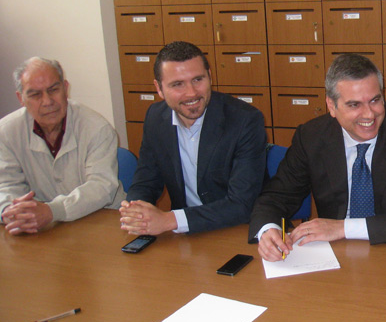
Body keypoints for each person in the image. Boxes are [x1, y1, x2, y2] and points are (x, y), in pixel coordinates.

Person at [250, 53, 386, 260]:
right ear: (331, 106)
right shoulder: (311, 136)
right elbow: (276, 197)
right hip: (337, 255)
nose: (369, 114)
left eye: (375, 100)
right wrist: (268, 229)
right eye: (354, 105)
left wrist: (343, 228)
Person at [120, 41, 266, 235]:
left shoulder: (244, 120)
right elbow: (146, 181)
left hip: (238, 230)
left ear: (210, 76)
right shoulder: (155, 118)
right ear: (159, 88)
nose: (191, 93)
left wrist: (169, 220)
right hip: (186, 234)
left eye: (198, 79)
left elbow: (241, 204)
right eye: (177, 84)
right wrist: (136, 211)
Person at [0, 57, 124, 234]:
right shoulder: (6, 132)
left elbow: (101, 187)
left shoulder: (97, 128)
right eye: (35, 95)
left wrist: (52, 211)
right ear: (21, 98)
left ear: (65, 88)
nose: (47, 101)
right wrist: (11, 212)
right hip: (45, 230)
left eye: (53, 90)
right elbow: (6, 184)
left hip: (101, 221)